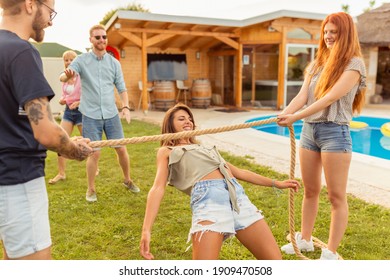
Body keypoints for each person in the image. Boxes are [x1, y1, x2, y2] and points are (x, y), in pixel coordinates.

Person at [140, 104, 301, 260]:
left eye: (189, 118)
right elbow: (157, 188)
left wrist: (276, 183)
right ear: (170, 125)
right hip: (210, 203)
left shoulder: (205, 149)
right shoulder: (167, 151)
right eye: (181, 119)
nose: (188, 121)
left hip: (239, 200)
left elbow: (239, 172)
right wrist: (146, 230)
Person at [0, 0, 93, 260]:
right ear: (31, 4)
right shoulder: (21, 52)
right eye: (50, 11)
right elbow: (45, 131)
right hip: (16, 179)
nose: (50, 21)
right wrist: (75, 149)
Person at [276, 12, 366, 260]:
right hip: (309, 131)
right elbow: (302, 95)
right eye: (326, 31)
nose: (328, 36)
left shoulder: (354, 64)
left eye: (334, 32)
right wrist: (285, 113)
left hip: (334, 132)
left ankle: (331, 252)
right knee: (310, 190)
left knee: (336, 197)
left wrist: (295, 117)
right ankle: (304, 240)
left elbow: (330, 98)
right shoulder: (317, 63)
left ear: (345, 35)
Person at [60, 24, 139, 202]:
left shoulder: (114, 63)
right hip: (91, 115)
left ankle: (127, 180)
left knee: (121, 149)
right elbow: (64, 76)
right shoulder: (81, 60)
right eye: (98, 37)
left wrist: (125, 107)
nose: (102, 40)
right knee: (93, 153)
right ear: (91, 40)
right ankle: (91, 189)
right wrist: (66, 76)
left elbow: (122, 88)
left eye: (104, 37)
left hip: (111, 114)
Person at [49, 50, 89, 184]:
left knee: (89, 141)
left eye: (71, 59)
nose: (69, 62)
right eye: (66, 60)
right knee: (61, 142)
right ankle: (61, 173)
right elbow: (66, 95)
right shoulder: (64, 79)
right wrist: (62, 99)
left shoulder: (81, 76)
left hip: (81, 111)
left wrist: (79, 102)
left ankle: (94, 167)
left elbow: (88, 94)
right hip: (68, 112)